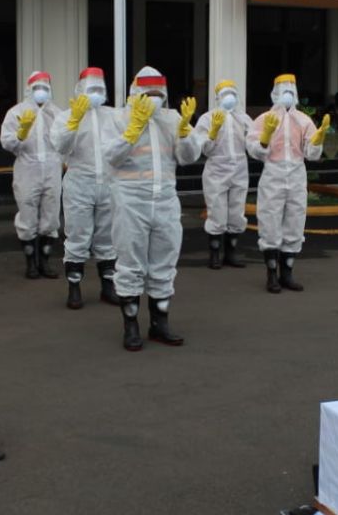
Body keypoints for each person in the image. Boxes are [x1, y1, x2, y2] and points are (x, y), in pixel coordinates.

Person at [103, 67, 202, 351]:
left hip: (165, 200)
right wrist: (132, 131)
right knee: (130, 262)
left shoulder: (171, 118)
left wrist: (185, 131)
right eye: (148, 94)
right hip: (130, 199)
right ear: (135, 93)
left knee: (164, 262)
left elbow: (188, 157)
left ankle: (160, 323)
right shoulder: (119, 118)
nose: (154, 99)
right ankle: (131, 326)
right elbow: (111, 157)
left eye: (159, 94)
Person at [247, 73, 330, 293]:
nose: (287, 95)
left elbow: (311, 154)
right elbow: (253, 148)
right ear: (274, 93)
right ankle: (271, 274)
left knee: (295, 221)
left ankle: (287, 273)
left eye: (291, 92)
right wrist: (264, 138)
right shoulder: (263, 119)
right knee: (270, 220)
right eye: (283, 91)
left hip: (296, 173)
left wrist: (318, 140)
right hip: (273, 173)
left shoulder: (304, 120)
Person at [50, 67, 119, 310]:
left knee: (108, 236)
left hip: (109, 183)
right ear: (80, 90)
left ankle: (108, 286)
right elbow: (60, 146)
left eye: (100, 89)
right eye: (92, 89)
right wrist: (73, 122)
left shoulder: (113, 116)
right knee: (78, 234)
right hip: (79, 183)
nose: (96, 94)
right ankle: (74, 286)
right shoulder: (66, 117)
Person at [1, 71, 64, 279]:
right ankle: (30, 263)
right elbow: (7, 142)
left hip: (52, 170)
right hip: (27, 170)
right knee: (27, 214)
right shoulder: (16, 113)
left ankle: (45, 262)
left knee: (51, 216)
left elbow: (66, 141)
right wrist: (20, 135)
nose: (41, 92)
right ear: (29, 89)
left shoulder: (56, 113)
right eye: (37, 88)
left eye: (45, 88)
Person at [196, 79, 253, 270]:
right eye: (225, 94)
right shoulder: (207, 119)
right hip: (216, 170)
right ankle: (214, 254)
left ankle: (231, 253)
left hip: (239, 168)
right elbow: (204, 149)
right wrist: (212, 134)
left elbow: (252, 144)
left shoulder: (243, 118)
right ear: (217, 98)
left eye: (233, 94)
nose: (229, 98)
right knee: (217, 212)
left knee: (236, 212)